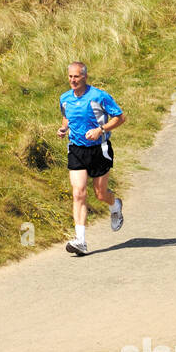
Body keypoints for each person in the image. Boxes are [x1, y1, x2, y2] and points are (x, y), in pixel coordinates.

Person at [57, 61, 125, 255]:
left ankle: (115, 205)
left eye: (76, 76)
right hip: (76, 149)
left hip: (99, 149)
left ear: (85, 76)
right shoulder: (65, 98)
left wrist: (100, 130)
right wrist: (64, 129)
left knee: (100, 194)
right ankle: (80, 240)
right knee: (78, 193)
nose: (72, 80)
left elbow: (120, 117)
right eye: (70, 76)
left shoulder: (99, 96)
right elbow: (66, 117)